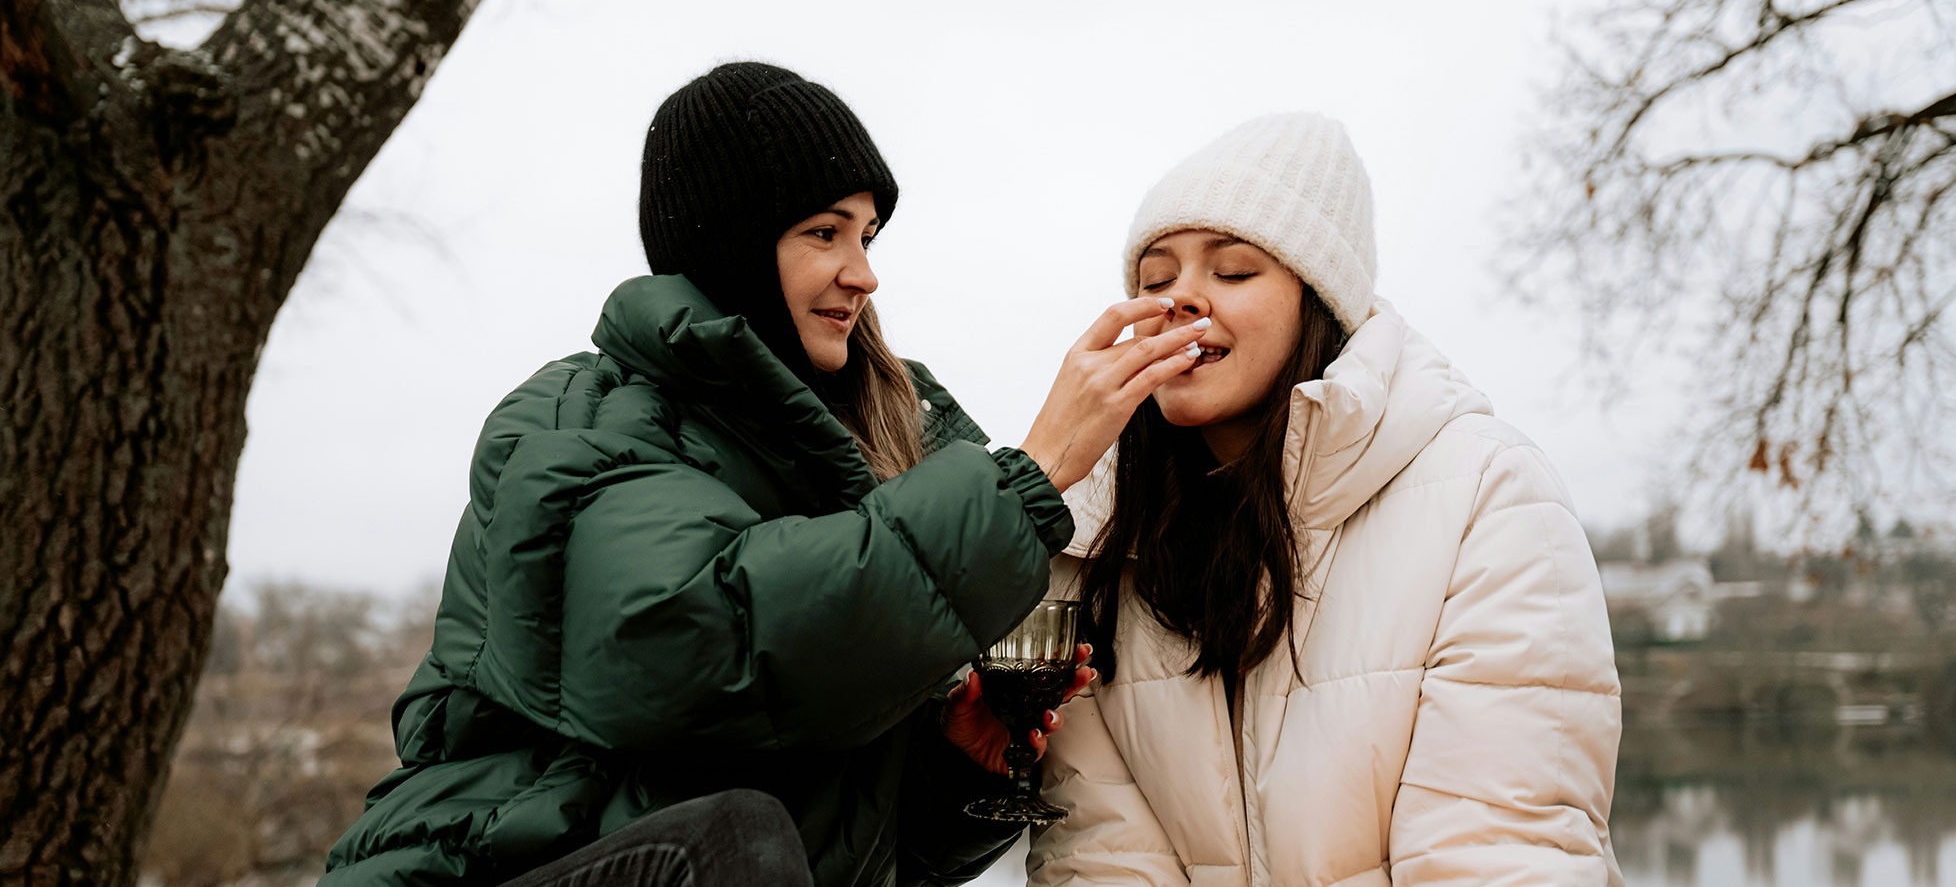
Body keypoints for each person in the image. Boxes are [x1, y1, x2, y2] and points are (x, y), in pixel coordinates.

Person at [320, 62, 1206, 887]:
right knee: (736, 836)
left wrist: (951, 761)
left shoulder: (877, 436)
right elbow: (697, 647)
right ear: (732, 247)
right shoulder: (585, 420)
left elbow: (861, 850)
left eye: (866, 234)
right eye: (824, 233)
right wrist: (1035, 473)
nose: (862, 273)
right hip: (510, 865)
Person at [1029, 112, 1624, 886]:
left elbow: (1496, 849)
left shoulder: (1490, 494)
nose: (1182, 298)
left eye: (1233, 271)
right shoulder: (1097, 537)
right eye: (1155, 278)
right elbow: (1102, 857)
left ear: (1319, 300)